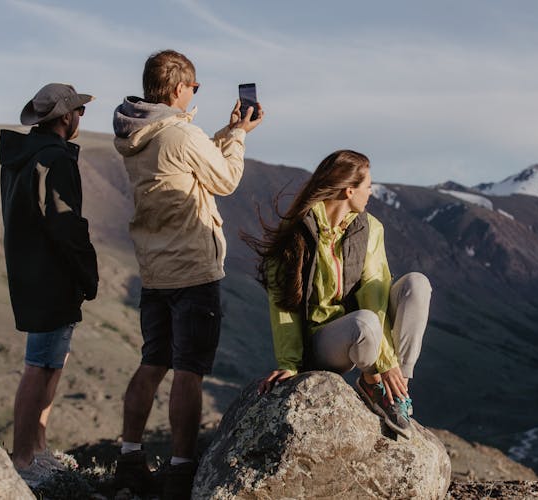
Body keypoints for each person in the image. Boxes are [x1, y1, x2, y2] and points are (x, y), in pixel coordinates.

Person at [112, 49, 263, 499]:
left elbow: (184, 159)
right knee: (188, 371)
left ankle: (129, 458)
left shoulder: (136, 134)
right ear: (180, 88)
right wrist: (238, 136)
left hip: (155, 270)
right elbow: (224, 180)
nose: (193, 95)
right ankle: (181, 471)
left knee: (151, 362)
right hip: (193, 270)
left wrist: (228, 130)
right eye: (194, 88)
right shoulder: (178, 133)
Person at [245, 150, 432, 439]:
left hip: (368, 331)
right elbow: (282, 303)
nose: (371, 193)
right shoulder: (298, 231)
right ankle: (372, 383)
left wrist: (390, 363)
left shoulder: (370, 228)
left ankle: (396, 393)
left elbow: (376, 292)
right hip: (325, 341)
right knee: (364, 323)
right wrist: (289, 364)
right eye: (368, 186)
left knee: (416, 285)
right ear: (349, 190)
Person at [0, 83, 99, 487]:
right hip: (52, 276)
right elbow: (65, 223)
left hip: (32, 273)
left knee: (49, 360)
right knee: (39, 366)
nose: (80, 118)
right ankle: (24, 458)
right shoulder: (53, 160)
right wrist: (86, 272)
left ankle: (36, 448)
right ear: (64, 117)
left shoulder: (23, 157)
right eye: (78, 111)